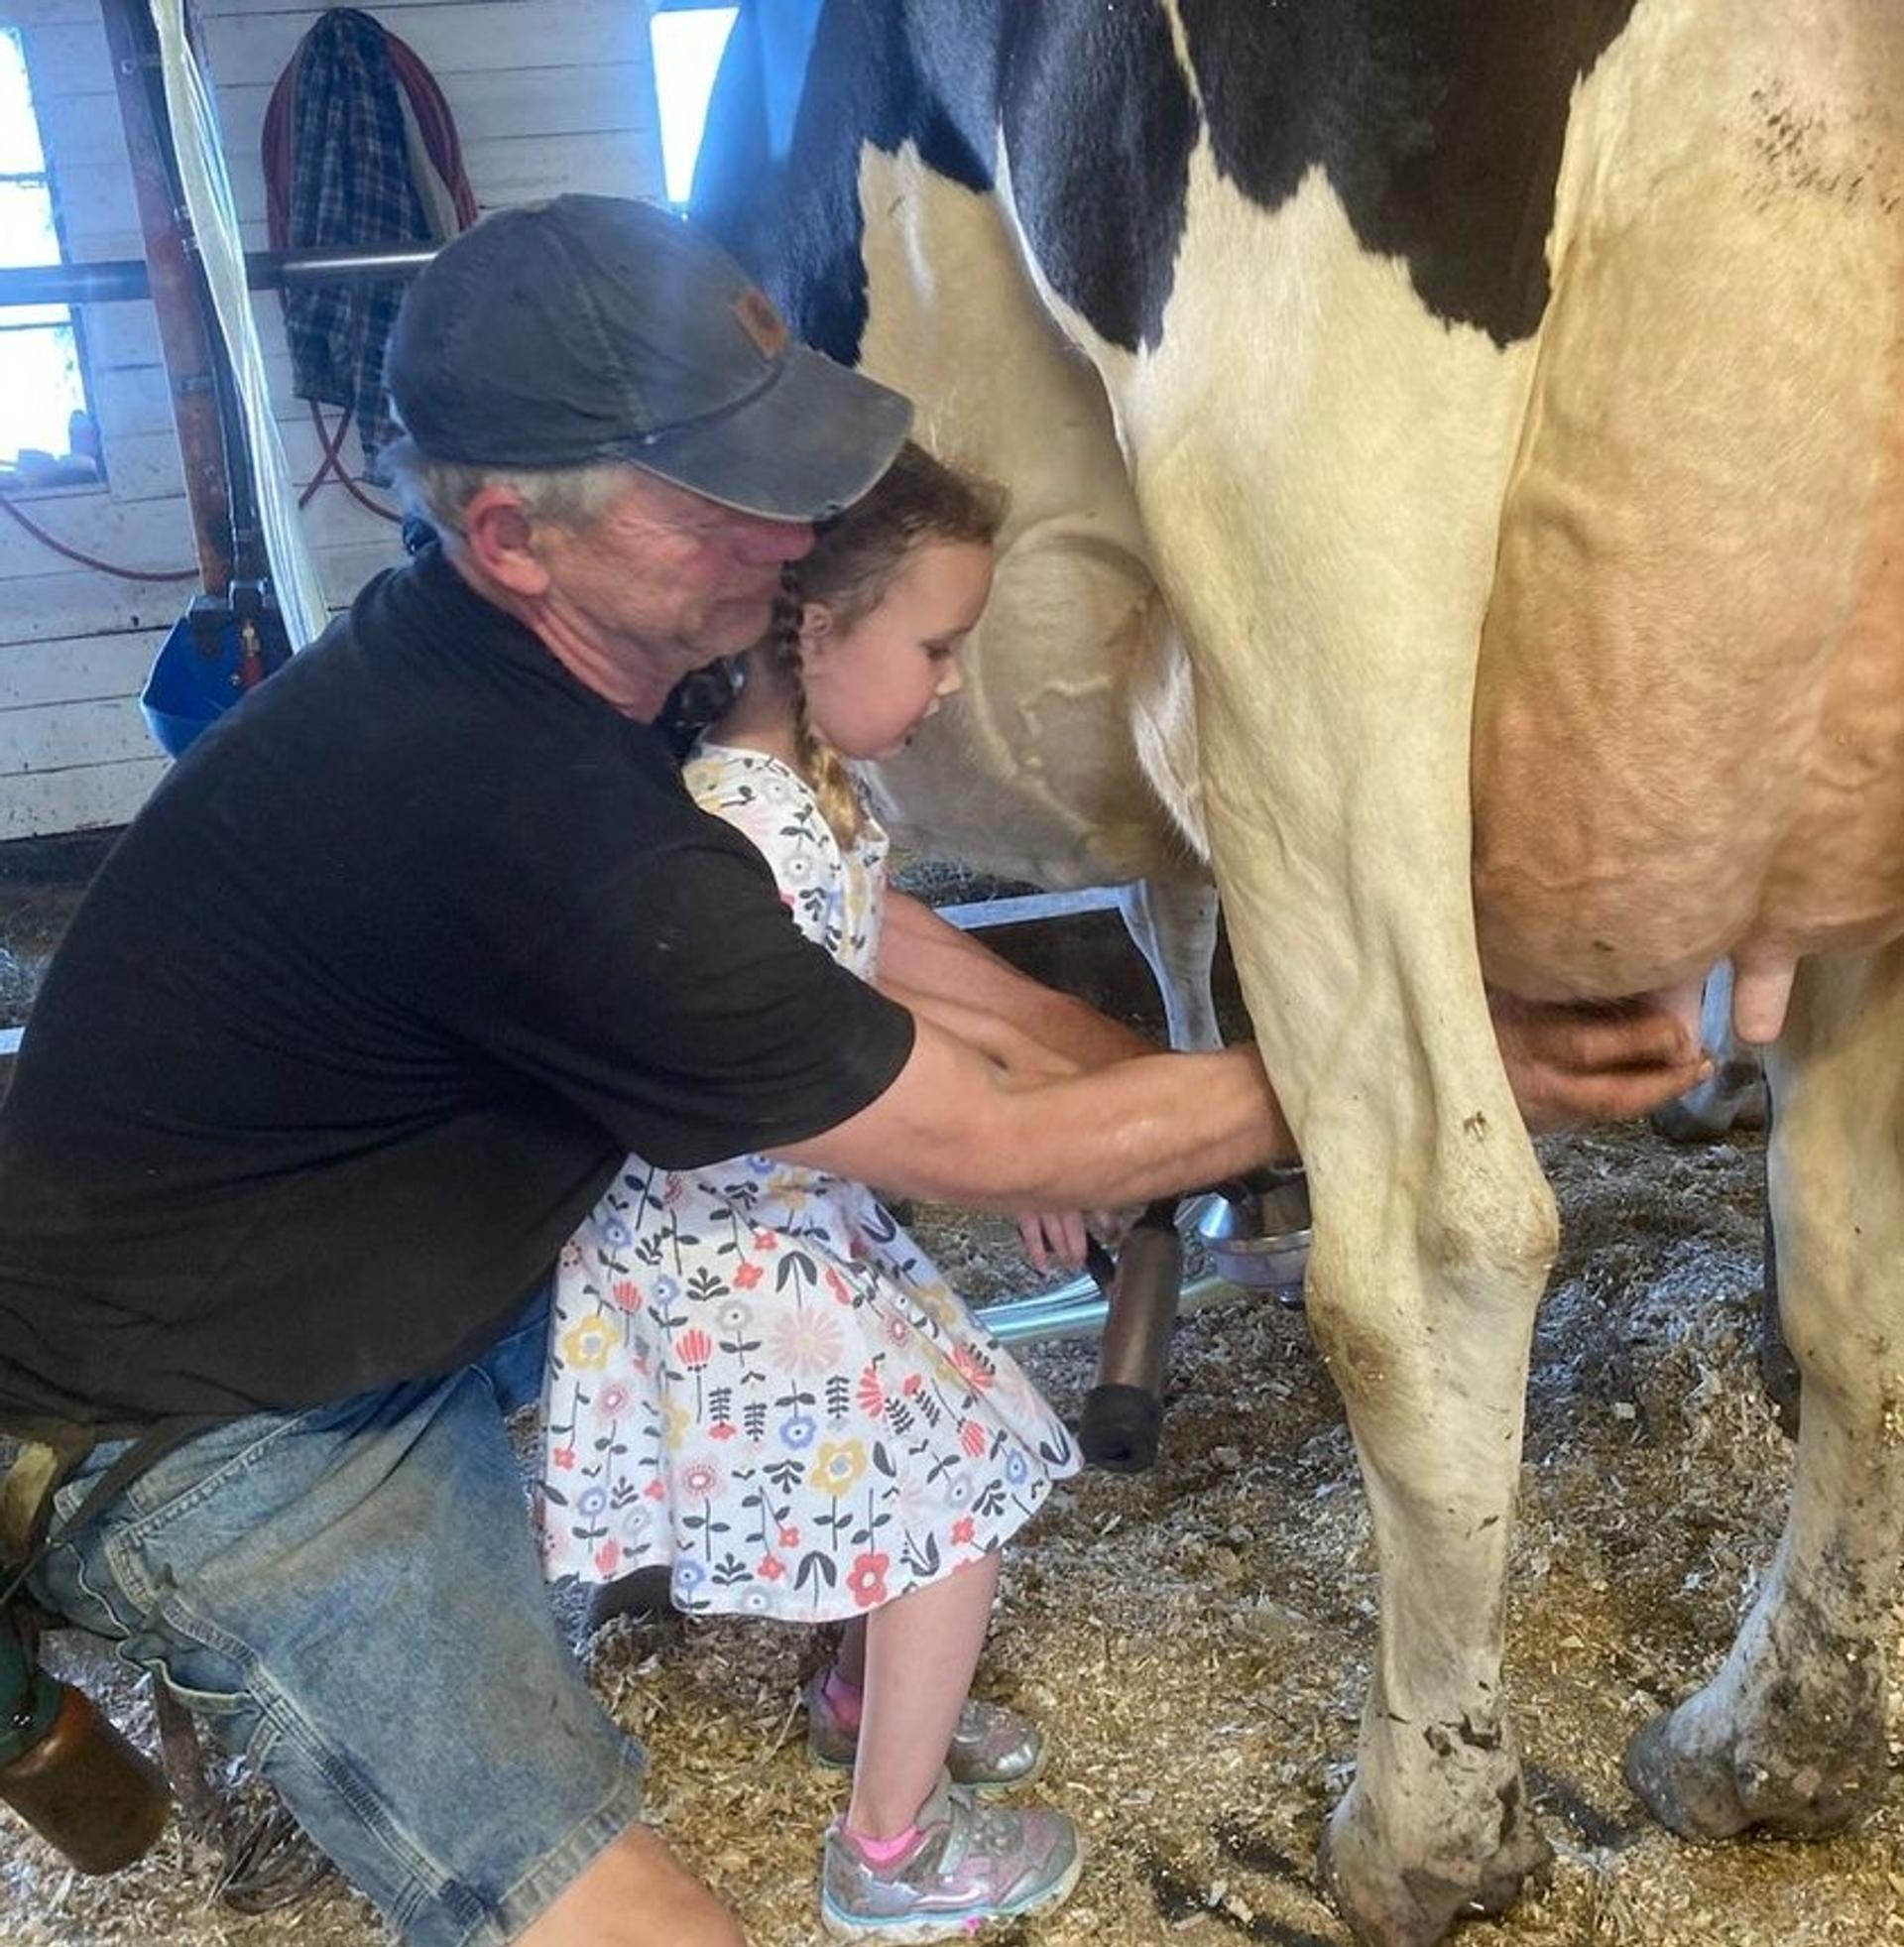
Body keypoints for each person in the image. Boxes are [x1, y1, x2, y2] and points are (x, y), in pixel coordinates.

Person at [0, 196, 1709, 1947]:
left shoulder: (576, 677)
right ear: (516, 534)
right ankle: (865, 1828)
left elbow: (852, 932)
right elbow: (970, 1141)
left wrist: (1131, 1071)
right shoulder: (543, 824)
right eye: (726, 497)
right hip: (220, 1430)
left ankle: (852, 1655)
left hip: (380, 1260)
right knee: (624, 1908)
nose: (795, 533)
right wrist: (1442, 1073)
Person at [538, 442, 1098, 1941]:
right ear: (817, 632)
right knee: (959, 1498)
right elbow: (796, 1075)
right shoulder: (744, 825)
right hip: (732, 1236)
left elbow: (867, 1000)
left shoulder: (821, 792)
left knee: (947, 1437)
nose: (953, 684)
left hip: (798, 1212)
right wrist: (1015, 1142)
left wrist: (1030, 1092)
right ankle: (890, 1852)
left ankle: (869, 1696)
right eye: (936, 647)